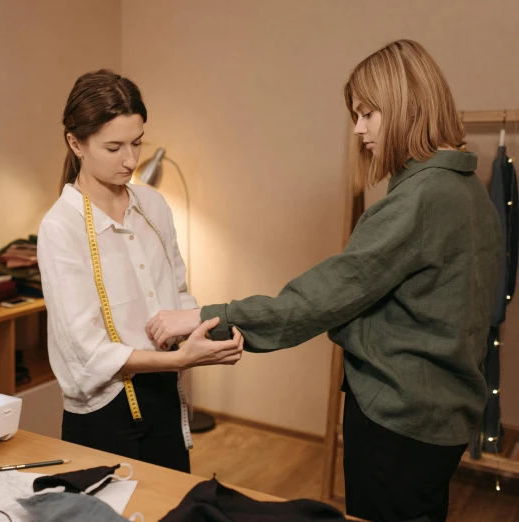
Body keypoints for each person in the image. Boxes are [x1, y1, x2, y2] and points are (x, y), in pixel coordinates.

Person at [146, 40, 502, 521]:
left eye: (367, 113)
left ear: (403, 104)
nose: (358, 129)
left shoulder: (422, 198)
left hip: (400, 421)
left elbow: (317, 299)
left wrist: (208, 315)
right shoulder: (468, 188)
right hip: (443, 418)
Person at [37, 69, 244, 473]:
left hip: (164, 396)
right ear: (75, 143)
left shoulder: (153, 207)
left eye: (137, 143)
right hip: (103, 412)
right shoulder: (60, 228)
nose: (131, 160)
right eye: (114, 147)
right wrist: (183, 359)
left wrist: (205, 335)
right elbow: (87, 351)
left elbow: (180, 294)